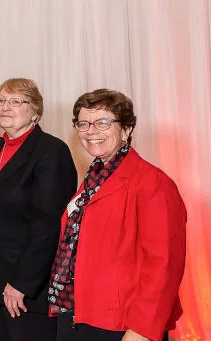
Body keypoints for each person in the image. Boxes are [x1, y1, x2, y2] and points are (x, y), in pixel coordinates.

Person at [49, 89, 186, 341]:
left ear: (126, 129)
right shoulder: (94, 178)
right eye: (84, 123)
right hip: (76, 311)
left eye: (103, 122)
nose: (91, 131)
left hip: (121, 325)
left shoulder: (152, 183)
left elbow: (163, 265)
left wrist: (142, 330)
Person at [0, 78, 77, 341]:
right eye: (1, 100)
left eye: (16, 101)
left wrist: (21, 284)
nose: (5, 107)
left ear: (36, 112)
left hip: (27, 287)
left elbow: (49, 226)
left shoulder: (51, 151)